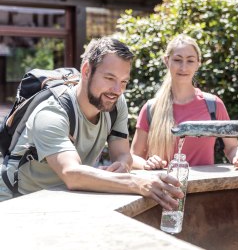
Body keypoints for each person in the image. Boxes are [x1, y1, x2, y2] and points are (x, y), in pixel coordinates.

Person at [0, 37, 183, 209]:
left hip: (63, 198)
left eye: (124, 82)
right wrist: (136, 183)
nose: (117, 90)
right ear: (86, 71)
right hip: (17, 200)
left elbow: (122, 154)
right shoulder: (52, 113)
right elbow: (72, 174)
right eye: (109, 78)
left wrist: (122, 165)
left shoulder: (116, 104)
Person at [131, 34, 238, 170]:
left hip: (205, 188)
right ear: (166, 61)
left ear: (198, 64)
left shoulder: (213, 104)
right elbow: (133, 156)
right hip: (164, 188)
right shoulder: (150, 108)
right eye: (177, 60)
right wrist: (147, 164)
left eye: (190, 61)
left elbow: (233, 147)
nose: (183, 67)